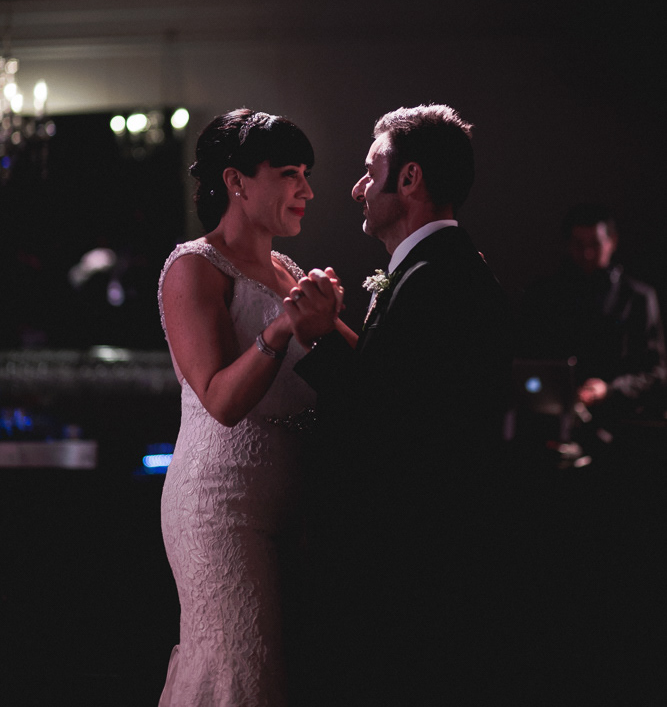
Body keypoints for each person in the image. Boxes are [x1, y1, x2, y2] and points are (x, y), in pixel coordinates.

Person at [283, 103, 515, 706]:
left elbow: (391, 426)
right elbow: (396, 379)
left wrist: (316, 338)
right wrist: (334, 327)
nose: (358, 188)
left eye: (370, 171)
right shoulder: (431, 269)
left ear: (409, 178)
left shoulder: (438, 278)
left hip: (412, 560)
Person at [156, 109, 350, 707]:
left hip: (298, 505)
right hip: (220, 506)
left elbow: (357, 365)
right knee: (242, 674)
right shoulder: (193, 267)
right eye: (290, 174)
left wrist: (328, 318)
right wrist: (281, 330)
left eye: (307, 174)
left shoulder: (288, 271)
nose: (306, 190)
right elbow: (219, 399)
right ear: (236, 181)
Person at [519, 203, 666, 432]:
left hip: (619, 424)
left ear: (612, 241)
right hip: (554, 421)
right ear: (568, 244)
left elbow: (657, 372)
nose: (587, 254)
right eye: (579, 245)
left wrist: (610, 390)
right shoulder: (546, 295)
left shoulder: (638, 298)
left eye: (595, 244)